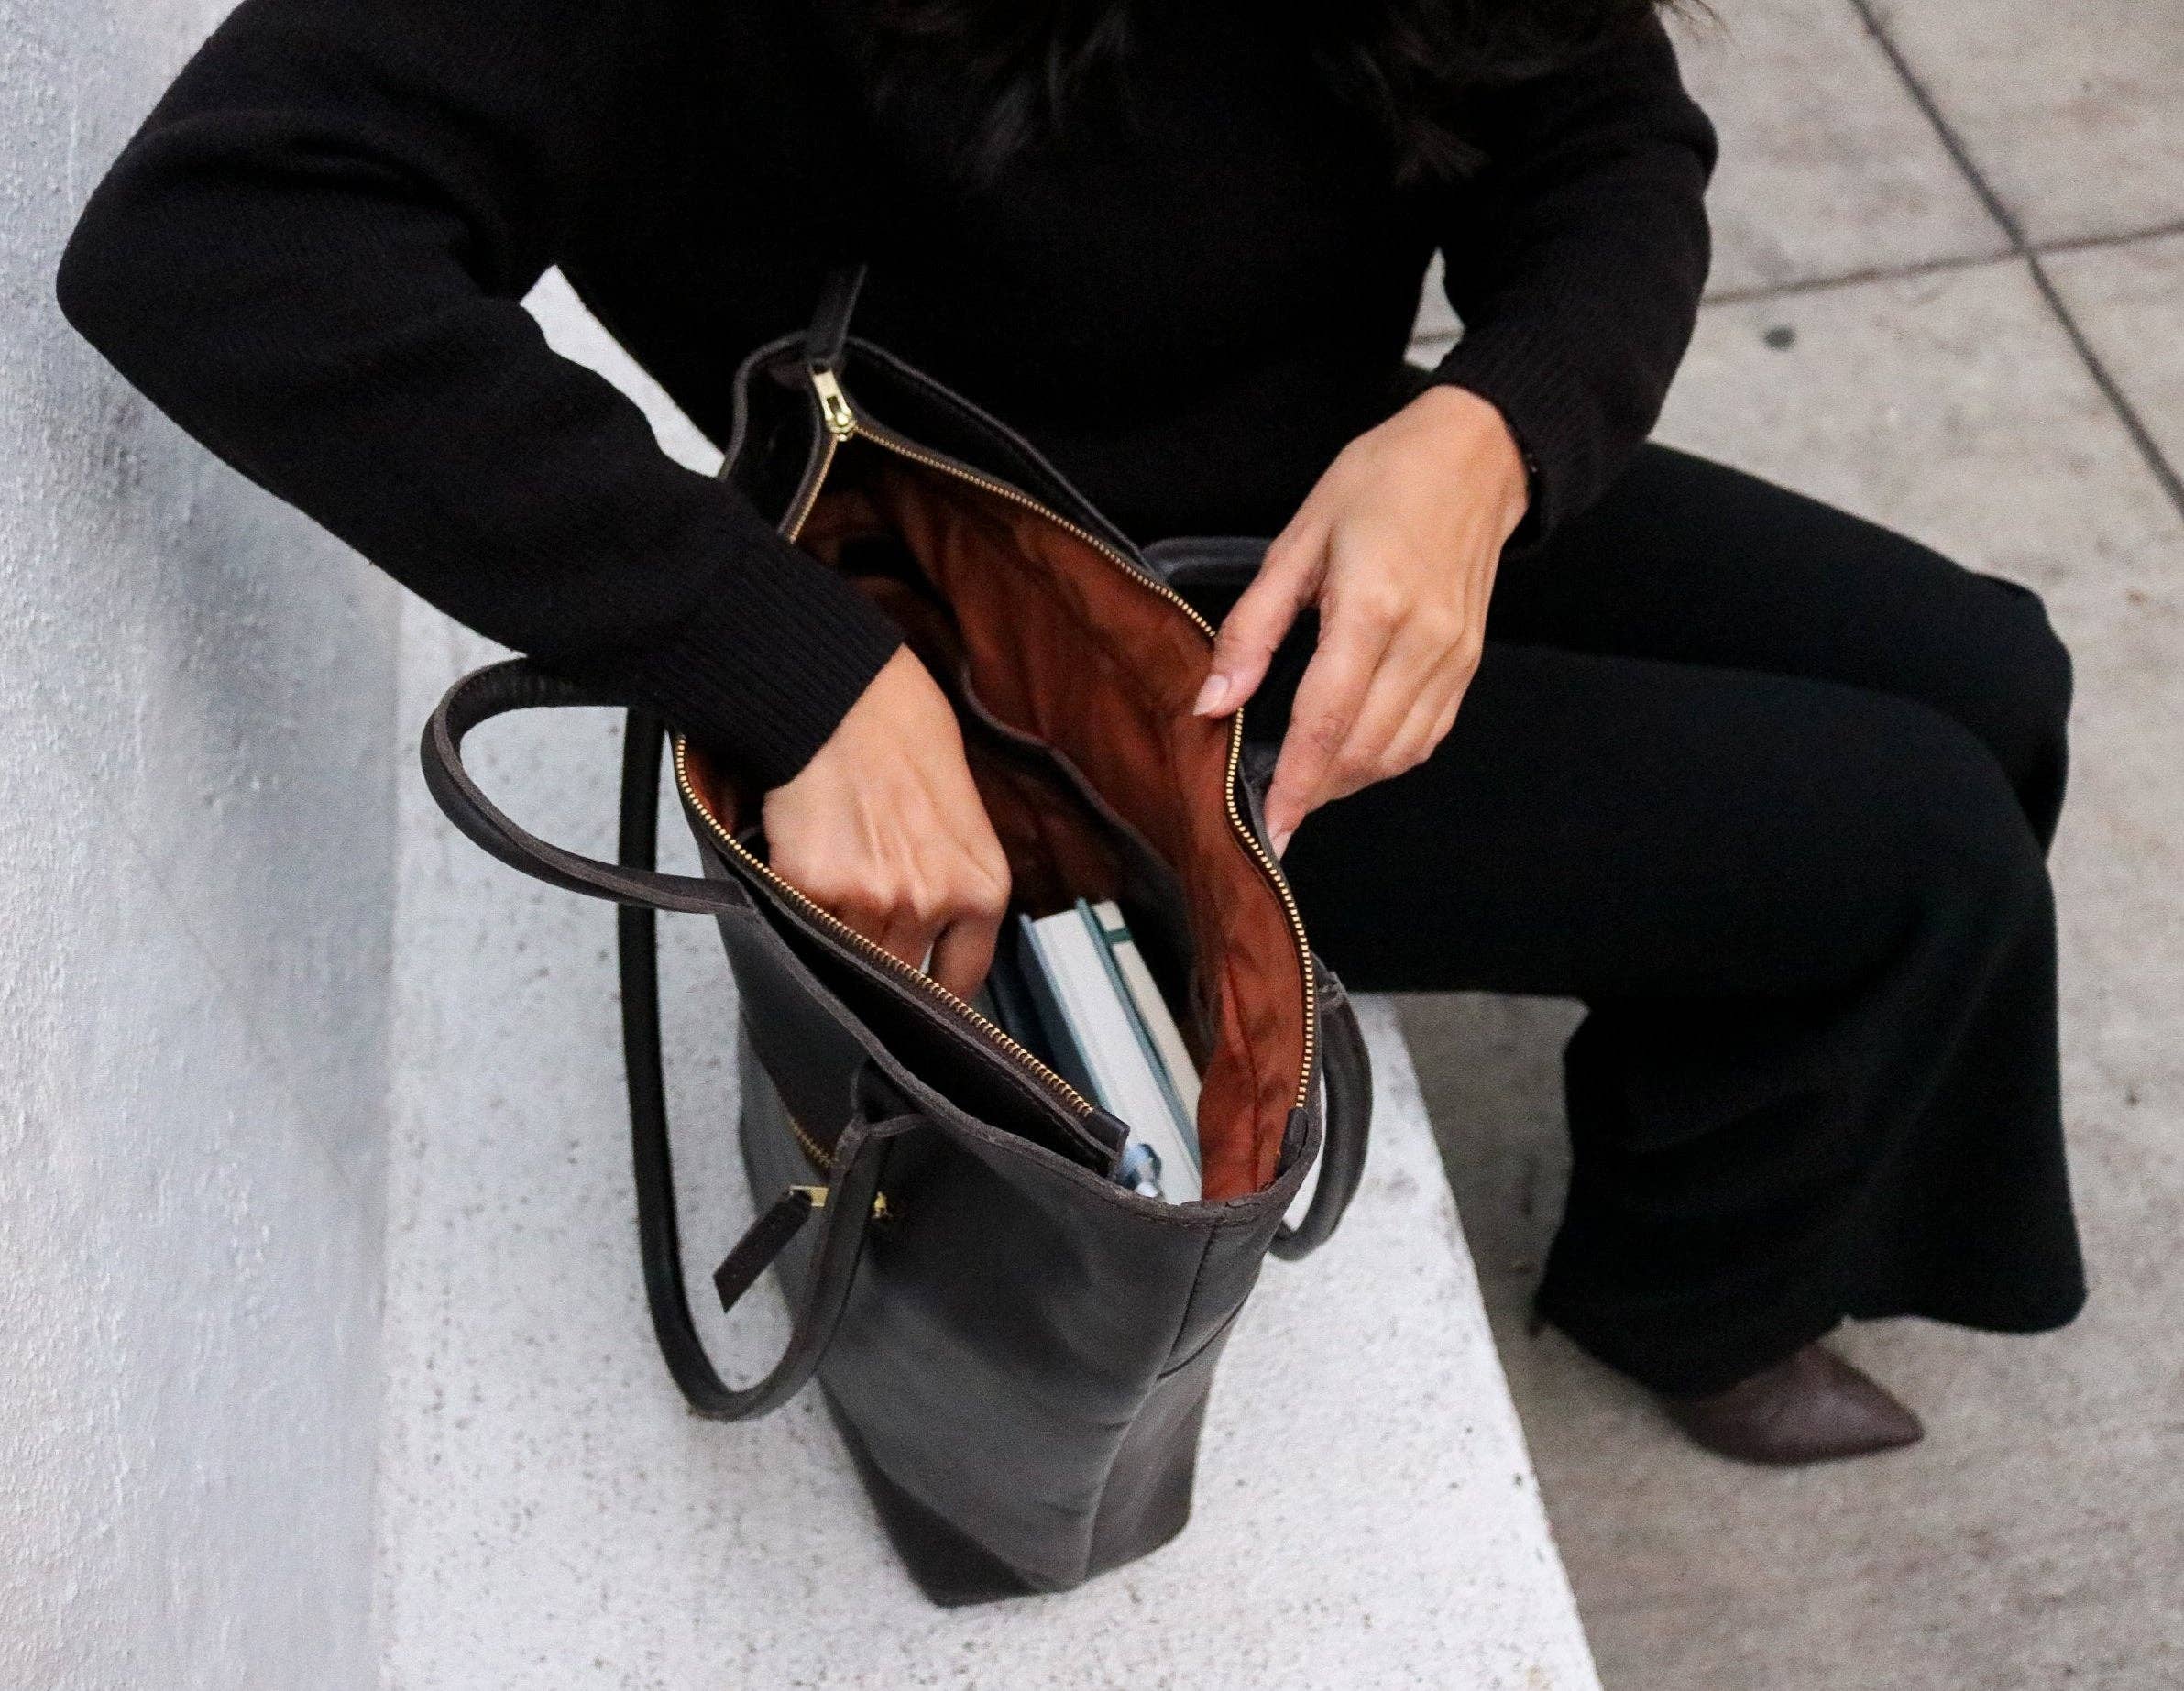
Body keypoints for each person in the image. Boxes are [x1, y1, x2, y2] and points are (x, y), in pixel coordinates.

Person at [57, 0, 2084, 1466]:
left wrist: (1489, 431)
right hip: (1058, 670)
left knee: (1992, 675)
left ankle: (1715, 1175)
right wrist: (790, 661)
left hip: (1340, 474)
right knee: (1908, 842)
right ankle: (1701, 1296)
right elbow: (224, 229)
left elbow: (1605, 130)